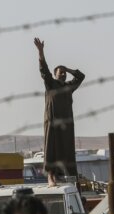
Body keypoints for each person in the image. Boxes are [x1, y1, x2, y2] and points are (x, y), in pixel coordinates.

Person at [34, 37, 85, 187]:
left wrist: (67, 68)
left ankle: (69, 178)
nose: (63, 74)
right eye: (60, 72)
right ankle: (51, 177)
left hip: (67, 125)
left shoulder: (69, 86)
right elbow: (44, 70)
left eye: (64, 73)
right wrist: (41, 52)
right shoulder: (51, 84)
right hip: (52, 121)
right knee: (51, 148)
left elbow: (81, 77)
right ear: (55, 74)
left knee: (67, 150)